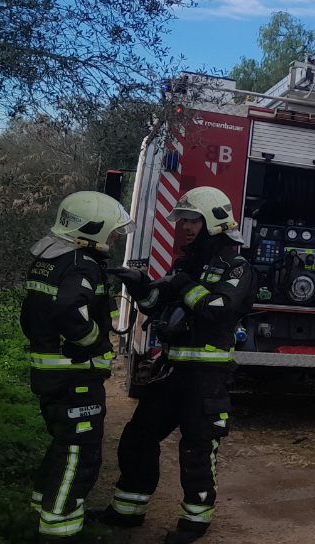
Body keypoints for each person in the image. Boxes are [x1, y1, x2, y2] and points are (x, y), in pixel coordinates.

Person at [97, 186, 257, 544]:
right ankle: (127, 511)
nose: (184, 226)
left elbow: (218, 309)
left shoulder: (237, 267)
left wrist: (184, 285)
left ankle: (195, 523)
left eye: (191, 219)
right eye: (182, 219)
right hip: (171, 374)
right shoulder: (185, 263)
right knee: (138, 436)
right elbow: (157, 303)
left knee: (197, 451)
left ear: (214, 222)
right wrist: (141, 288)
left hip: (207, 380)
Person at [23, 191, 132, 543]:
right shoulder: (79, 264)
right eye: (112, 230)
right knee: (79, 451)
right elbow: (70, 311)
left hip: (51, 372)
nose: (115, 237)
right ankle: (59, 530)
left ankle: (43, 509)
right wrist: (95, 342)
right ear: (92, 227)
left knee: (62, 444)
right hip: (74, 375)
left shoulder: (49, 257)